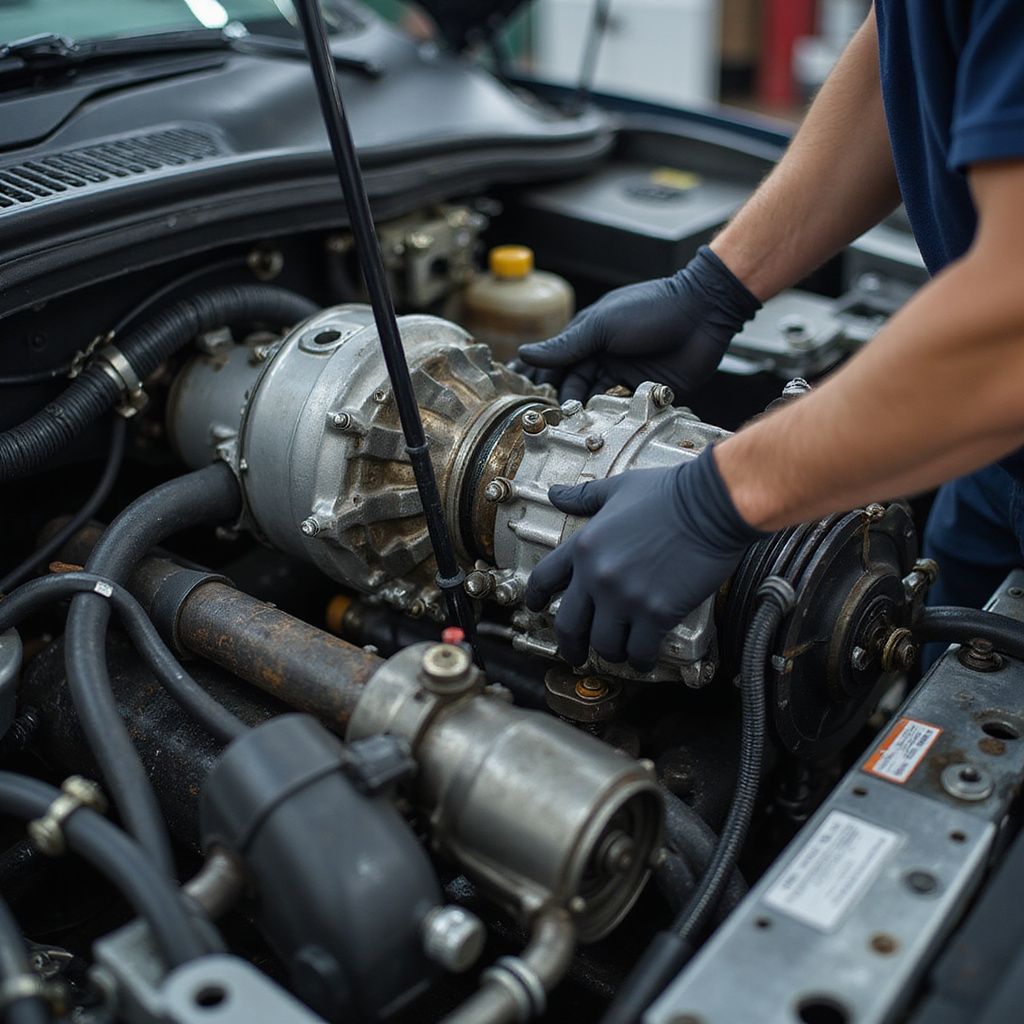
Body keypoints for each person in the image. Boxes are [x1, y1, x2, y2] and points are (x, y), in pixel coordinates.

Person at [517, 1, 1024, 673]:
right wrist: (715, 288)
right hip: (992, 456)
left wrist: (714, 504)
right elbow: (909, 49)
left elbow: (1011, 332)